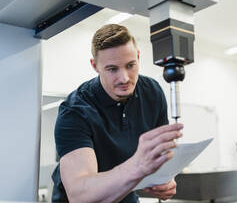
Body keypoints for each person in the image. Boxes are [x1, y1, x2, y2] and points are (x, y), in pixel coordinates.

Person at [51, 24, 183, 202]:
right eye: (112, 69)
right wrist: (137, 167)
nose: (124, 78)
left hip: (125, 196)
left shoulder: (152, 92)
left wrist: (166, 180)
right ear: (95, 65)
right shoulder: (75, 111)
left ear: (138, 56)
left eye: (130, 65)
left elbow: (160, 156)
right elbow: (80, 194)